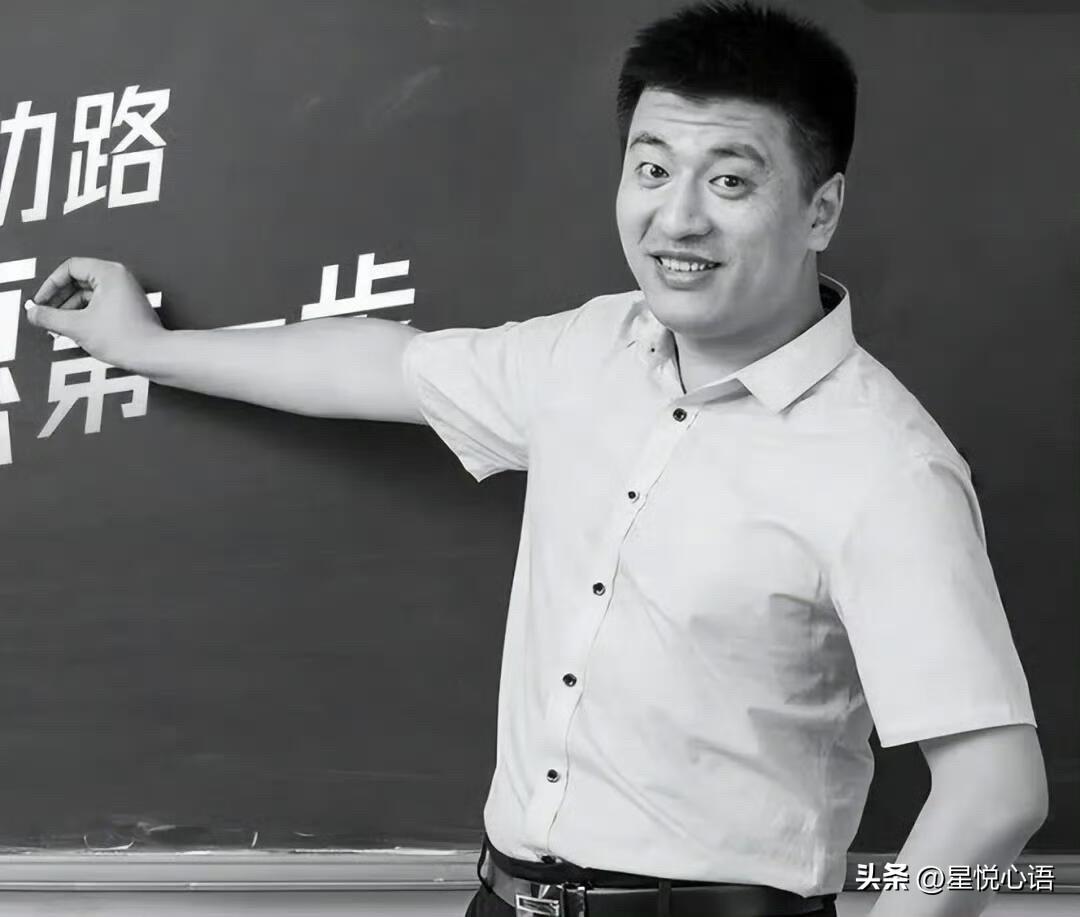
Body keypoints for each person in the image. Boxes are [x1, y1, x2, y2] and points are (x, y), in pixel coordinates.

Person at [27, 2, 1047, 915]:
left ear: (821, 209)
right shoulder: (591, 351)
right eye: (652, 169)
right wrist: (145, 346)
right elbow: (379, 364)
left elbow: (997, 790)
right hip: (505, 893)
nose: (678, 216)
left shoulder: (883, 464)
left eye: (731, 180)